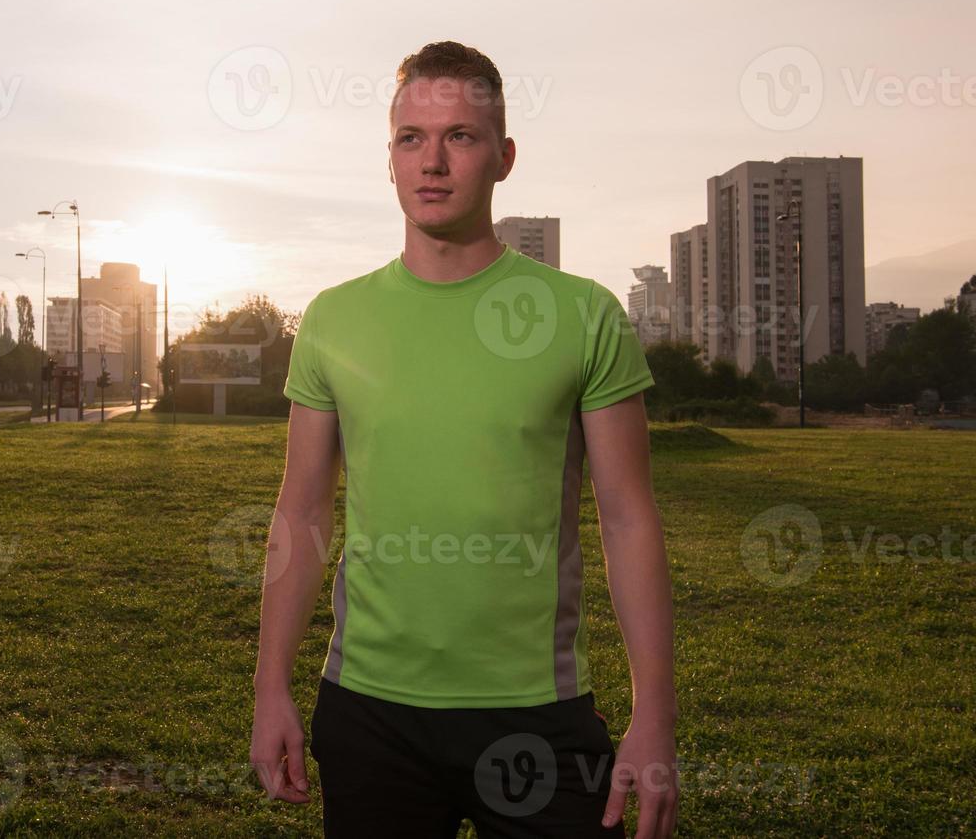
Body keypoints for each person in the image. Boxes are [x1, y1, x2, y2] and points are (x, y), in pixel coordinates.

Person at [250, 41, 678, 837]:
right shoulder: (334, 320)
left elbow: (629, 520)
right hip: (370, 712)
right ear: (388, 160)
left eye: (461, 136)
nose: (433, 161)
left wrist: (655, 716)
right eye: (412, 138)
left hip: (537, 716)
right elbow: (302, 512)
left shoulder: (582, 314)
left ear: (504, 157)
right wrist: (270, 684)